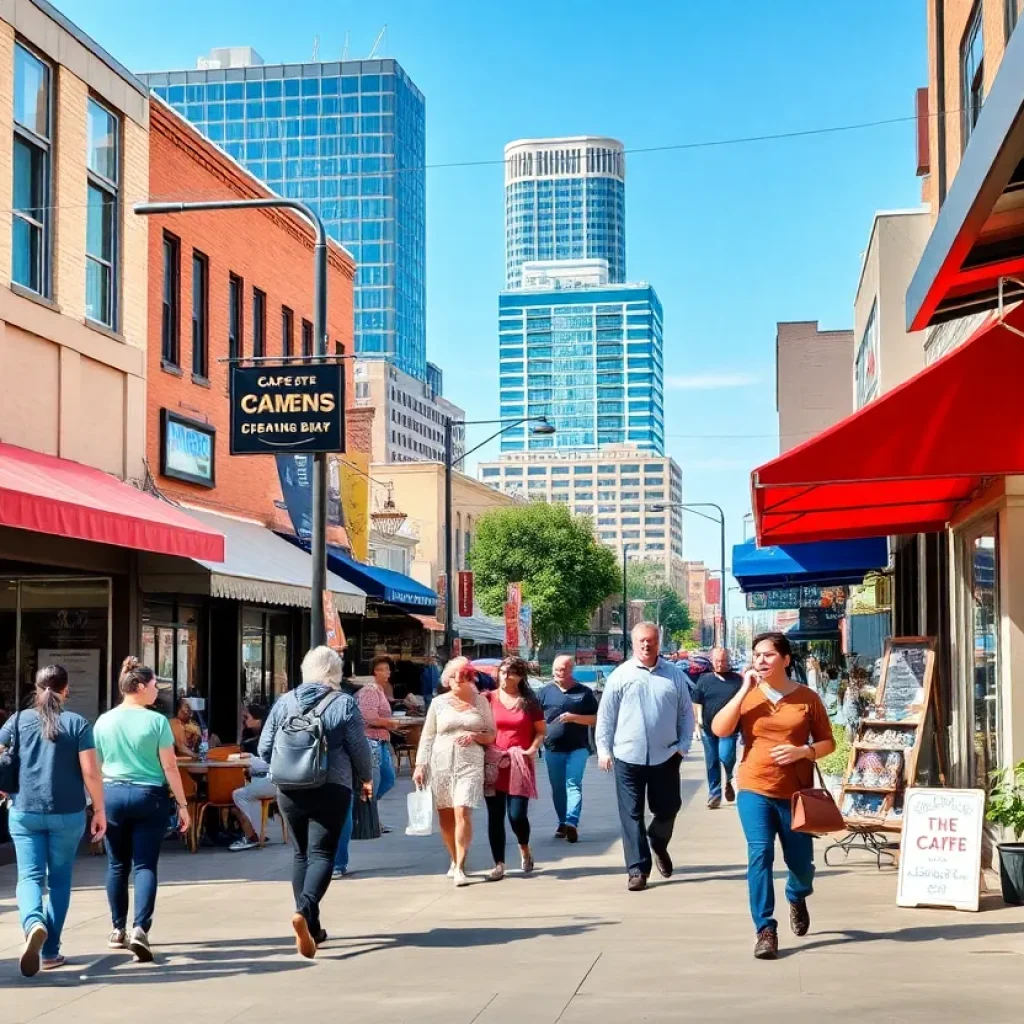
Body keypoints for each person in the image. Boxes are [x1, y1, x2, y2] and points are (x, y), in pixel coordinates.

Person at [712, 631, 835, 961]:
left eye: (767, 655)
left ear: (785, 659)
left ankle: (796, 894)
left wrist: (802, 752)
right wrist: (743, 690)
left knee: (801, 866)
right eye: (756, 655)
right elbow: (719, 729)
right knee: (760, 853)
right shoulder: (748, 696)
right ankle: (765, 929)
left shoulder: (807, 698)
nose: (760, 660)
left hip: (795, 794)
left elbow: (828, 743)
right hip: (754, 787)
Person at [259, 646, 373, 959]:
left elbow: (264, 747)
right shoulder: (344, 703)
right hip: (331, 785)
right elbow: (359, 749)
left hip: (288, 789)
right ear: (335, 673)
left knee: (300, 855)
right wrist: (366, 777)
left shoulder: (285, 702)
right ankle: (304, 911)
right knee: (323, 853)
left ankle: (313, 928)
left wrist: (283, 766)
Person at [0, 665, 106, 976]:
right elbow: (90, 772)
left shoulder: (16, 721)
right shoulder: (77, 724)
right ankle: (50, 951)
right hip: (68, 812)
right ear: (66, 689)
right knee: (59, 880)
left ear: (36, 687)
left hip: (24, 810)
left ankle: (33, 923)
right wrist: (99, 809)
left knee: (29, 877)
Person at [94, 657, 192, 963]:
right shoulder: (157, 722)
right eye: (153, 686)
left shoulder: (103, 721)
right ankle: (140, 928)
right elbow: (170, 766)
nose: (156, 691)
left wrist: (96, 804)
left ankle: (116, 929)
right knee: (145, 865)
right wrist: (183, 804)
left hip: (111, 794)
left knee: (116, 865)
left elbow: (95, 768)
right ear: (138, 686)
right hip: (149, 795)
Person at [596, 622, 694, 892]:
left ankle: (658, 843)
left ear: (659, 642)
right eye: (641, 641)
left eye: (651, 640)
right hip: (627, 757)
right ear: (633, 643)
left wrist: (683, 746)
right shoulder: (620, 675)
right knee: (631, 814)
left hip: (666, 756)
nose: (646, 645)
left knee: (668, 808)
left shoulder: (673, 675)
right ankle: (637, 869)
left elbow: (687, 714)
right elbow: (605, 717)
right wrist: (603, 750)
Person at [413, 658, 495, 887]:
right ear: (448, 681)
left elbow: (491, 734)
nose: (464, 681)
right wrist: (420, 765)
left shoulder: (481, 702)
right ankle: (454, 856)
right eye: (459, 677)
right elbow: (428, 735)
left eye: (468, 677)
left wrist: (475, 736)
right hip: (441, 762)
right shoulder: (438, 703)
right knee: (446, 817)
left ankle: (460, 865)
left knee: (462, 811)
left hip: (470, 762)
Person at [483, 657, 546, 881]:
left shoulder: (529, 702)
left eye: (510, 673)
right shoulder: (487, 698)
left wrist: (532, 748)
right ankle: (498, 863)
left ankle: (524, 847)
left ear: (520, 676)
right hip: (494, 762)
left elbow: (540, 731)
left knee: (517, 815)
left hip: (520, 762)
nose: (505, 676)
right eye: (502, 672)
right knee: (495, 815)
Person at [538, 655, 598, 843]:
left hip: (578, 747)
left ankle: (572, 822)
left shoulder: (584, 692)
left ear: (571, 669)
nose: (559, 672)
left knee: (573, 783)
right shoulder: (544, 692)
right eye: (556, 669)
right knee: (557, 788)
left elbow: (595, 719)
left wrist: (574, 717)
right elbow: (535, 718)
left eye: (563, 669)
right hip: (553, 748)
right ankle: (562, 822)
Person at [691, 648, 744, 810]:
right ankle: (714, 794)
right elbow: (696, 700)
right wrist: (697, 722)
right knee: (712, 761)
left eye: (723, 661)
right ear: (712, 661)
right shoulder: (705, 680)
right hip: (708, 728)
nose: (720, 664)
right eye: (717, 661)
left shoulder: (737, 680)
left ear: (729, 660)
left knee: (726, 756)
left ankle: (728, 780)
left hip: (730, 728)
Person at [230, 704, 276, 852]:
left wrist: (250, 758)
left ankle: (253, 836)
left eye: (246, 717)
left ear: (258, 719)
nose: (244, 721)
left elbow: (270, 763)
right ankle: (256, 833)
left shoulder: (268, 737)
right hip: (260, 779)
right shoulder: (251, 736)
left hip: (272, 779)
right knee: (237, 799)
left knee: (239, 795)